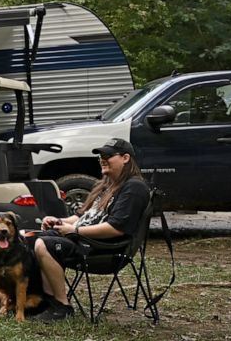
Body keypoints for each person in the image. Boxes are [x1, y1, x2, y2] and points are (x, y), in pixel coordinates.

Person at [32, 138, 151, 322]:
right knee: (30, 237)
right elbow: (81, 217)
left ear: (125, 158)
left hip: (103, 248)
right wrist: (59, 221)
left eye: (108, 156)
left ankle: (61, 307)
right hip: (83, 239)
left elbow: (116, 229)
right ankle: (39, 301)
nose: (102, 159)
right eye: (100, 156)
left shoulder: (134, 187)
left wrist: (75, 231)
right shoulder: (105, 185)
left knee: (43, 244)